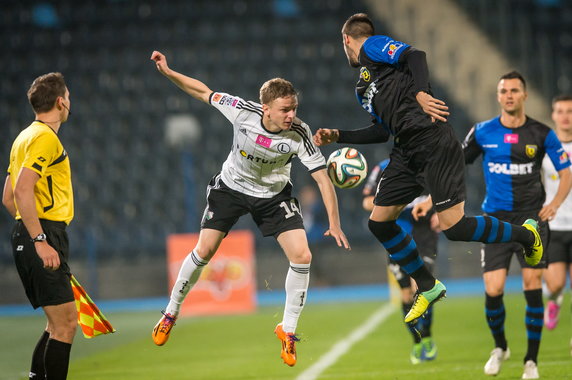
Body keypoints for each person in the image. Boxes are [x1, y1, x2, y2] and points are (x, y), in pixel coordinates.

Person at [312, 13, 543, 324]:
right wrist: (338, 136)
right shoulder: (361, 88)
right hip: (405, 151)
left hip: (432, 139)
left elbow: (415, 55)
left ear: (346, 40)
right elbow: (381, 131)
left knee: (456, 228)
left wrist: (421, 92)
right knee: (379, 223)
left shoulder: (372, 46)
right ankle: (427, 284)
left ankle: (527, 236)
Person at [149, 51, 350, 367]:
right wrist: (168, 72)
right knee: (205, 250)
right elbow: (202, 91)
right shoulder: (241, 111)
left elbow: (323, 180)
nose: (291, 115)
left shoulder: (300, 133)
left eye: (294, 108)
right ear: (266, 108)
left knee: (303, 255)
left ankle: (288, 330)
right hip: (231, 188)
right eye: (285, 109)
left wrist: (335, 223)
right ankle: (172, 311)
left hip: (273, 196)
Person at [461, 72, 571, 378]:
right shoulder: (482, 131)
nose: (509, 95)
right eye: (503, 91)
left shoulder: (541, 133)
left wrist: (555, 204)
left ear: (524, 95)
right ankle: (501, 347)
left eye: (514, 90)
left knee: (532, 285)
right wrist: (436, 199)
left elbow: (566, 171)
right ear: (498, 96)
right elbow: (457, 163)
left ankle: (531, 362)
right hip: (495, 221)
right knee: (493, 288)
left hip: (531, 221)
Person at [2, 72, 76, 380]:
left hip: (29, 233)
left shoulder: (24, 137)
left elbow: (7, 198)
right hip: (43, 233)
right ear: (60, 102)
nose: (69, 103)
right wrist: (40, 239)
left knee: (55, 325)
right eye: (68, 98)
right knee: (66, 325)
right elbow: (20, 192)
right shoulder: (45, 138)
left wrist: (27, 233)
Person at [363, 159, 440, 364]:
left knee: (421, 288)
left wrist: (441, 212)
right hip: (398, 237)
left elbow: (445, 188)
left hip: (425, 236)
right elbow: (366, 201)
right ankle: (416, 342)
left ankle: (428, 337)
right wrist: (391, 201)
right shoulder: (383, 168)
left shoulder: (427, 163)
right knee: (406, 295)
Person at [541, 95, 572, 337]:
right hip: (554, 226)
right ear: (553, 115)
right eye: (560, 111)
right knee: (556, 284)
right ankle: (554, 299)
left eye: (569, 111)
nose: (565, 116)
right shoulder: (546, 149)